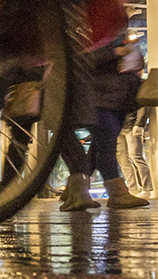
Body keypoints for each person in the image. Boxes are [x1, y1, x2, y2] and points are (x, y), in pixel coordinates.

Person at [59, 36, 148, 212]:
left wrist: (133, 58)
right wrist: (115, 53)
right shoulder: (93, 35)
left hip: (119, 99)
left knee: (100, 146)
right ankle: (116, 192)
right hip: (100, 98)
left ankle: (76, 190)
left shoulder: (116, 37)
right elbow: (84, 58)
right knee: (106, 144)